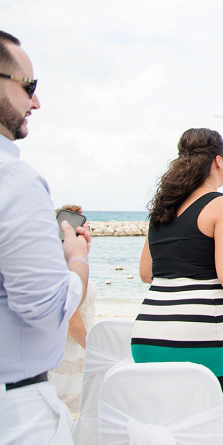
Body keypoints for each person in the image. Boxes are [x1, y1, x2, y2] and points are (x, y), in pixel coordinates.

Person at [131, 128, 223, 429]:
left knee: (165, 432)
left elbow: (146, 273)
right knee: (209, 433)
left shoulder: (163, 208)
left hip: (149, 336)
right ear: (217, 160)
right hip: (202, 336)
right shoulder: (222, 205)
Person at [0, 30, 91, 445]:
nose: (36, 102)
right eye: (29, 87)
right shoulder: (14, 182)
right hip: (15, 411)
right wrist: (75, 261)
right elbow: (43, 308)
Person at [49, 204, 99, 416]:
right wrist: (94, 349)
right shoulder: (64, 265)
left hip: (70, 353)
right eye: (82, 229)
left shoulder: (63, 263)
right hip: (68, 356)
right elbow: (71, 318)